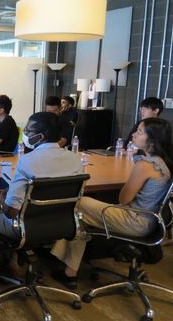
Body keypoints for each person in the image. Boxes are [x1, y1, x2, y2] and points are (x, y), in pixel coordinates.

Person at [51, 118, 173, 290]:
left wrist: (131, 180)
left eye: (139, 132)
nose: (134, 134)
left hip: (135, 220)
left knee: (79, 203)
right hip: (150, 221)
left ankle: (66, 267)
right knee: (82, 216)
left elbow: (124, 199)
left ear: (152, 139)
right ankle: (69, 269)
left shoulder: (145, 166)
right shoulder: (162, 162)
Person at [0, 112, 83, 239]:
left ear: (40, 137)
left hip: (27, 228)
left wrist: (2, 195)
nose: (24, 134)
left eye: (28, 131)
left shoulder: (26, 161)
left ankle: (9, 257)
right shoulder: (75, 159)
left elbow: (11, 212)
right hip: (64, 224)